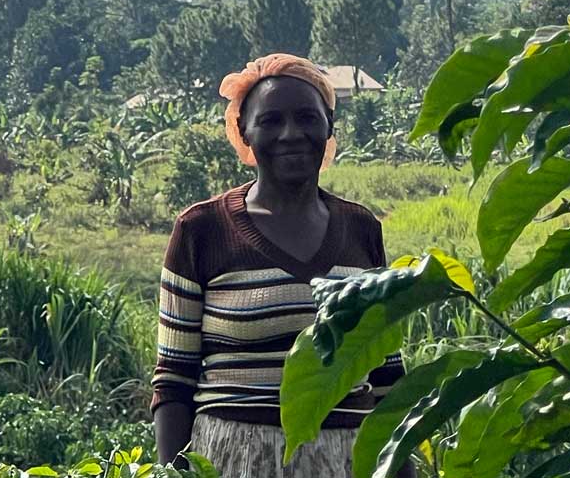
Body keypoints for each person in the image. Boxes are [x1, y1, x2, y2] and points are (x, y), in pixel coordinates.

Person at [152, 54, 413, 478]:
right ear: (243, 132)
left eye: (307, 118)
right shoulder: (201, 230)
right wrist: (171, 474)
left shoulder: (360, 229)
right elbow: (174, 380)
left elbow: (385, 376)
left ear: (329, 126)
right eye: (270, 121)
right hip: (233, 459)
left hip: (347, 460)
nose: (291, 134)